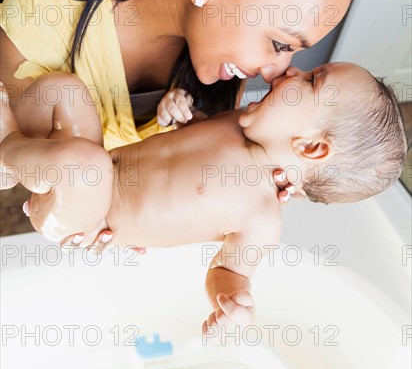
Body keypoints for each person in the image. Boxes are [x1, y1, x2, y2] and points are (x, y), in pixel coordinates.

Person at [0, 0, 363, 240]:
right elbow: (18, 166)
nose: (277, 73)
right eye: (279, 43)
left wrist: (219, 194)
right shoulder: (41, 17)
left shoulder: (219, 73)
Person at [0, 63, 406, 335]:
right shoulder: (235, 123)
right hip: (88, 165)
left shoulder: (261, 217)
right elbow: (186, 148)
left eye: (312, 81)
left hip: (86, 217)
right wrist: (178, 113)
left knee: (84, 165)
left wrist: (232, 304)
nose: (292, 71)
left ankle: (9, 146)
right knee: (64, 89)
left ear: (312, 148)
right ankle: (18, 159)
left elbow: (229, 272)